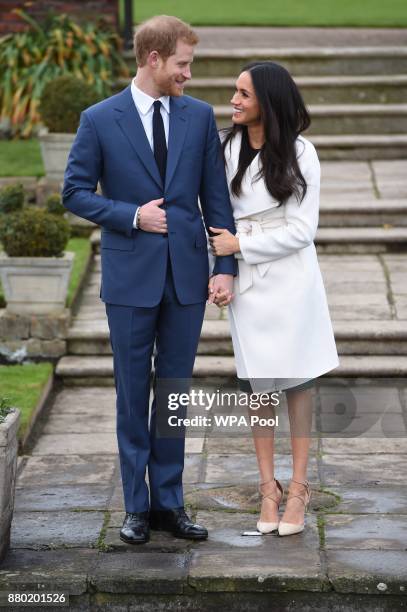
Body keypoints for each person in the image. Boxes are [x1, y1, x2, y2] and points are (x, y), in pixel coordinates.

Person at [62, 15, 236, 545]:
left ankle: (169, 503)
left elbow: (216, 198)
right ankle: (135, 506)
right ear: (154, 59)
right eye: (183, 64)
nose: (188, 74)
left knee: (174, 393)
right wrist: (132, 215)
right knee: (132, 393)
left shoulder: (200, 117)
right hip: (130, 278)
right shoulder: (99, 119)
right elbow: (74, 193)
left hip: (186, 278)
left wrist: (225, 265)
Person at [209, 61, 339, 536]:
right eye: (234, 91)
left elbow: (303, 231)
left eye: (244, 93)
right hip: (247, 285)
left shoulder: (302, 153)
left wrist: (241, 245)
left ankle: (300, 487)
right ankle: (269, 487)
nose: (234, 101)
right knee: (258, 386)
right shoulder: (225, 147)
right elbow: (216, 214)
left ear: (269, 100)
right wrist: (222, 269)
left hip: (292, 281)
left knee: (298, 383)